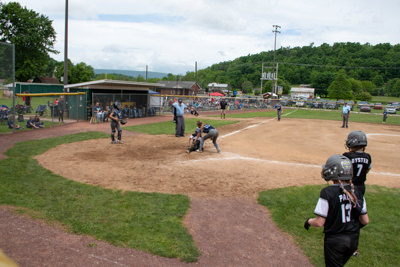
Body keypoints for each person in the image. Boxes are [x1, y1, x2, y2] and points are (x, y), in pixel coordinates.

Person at [304, 154, 369, 267]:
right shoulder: (357, 192)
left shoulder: (327, 192)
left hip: (335, 242)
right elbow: (365, 221)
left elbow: (319, 222)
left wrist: (308, 221)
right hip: (353, 240)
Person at [343, 131, 371, 196]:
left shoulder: (347, 156)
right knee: (359, 204)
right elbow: (367, 170)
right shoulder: (367, 157)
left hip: (349, 186)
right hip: (361, 186)